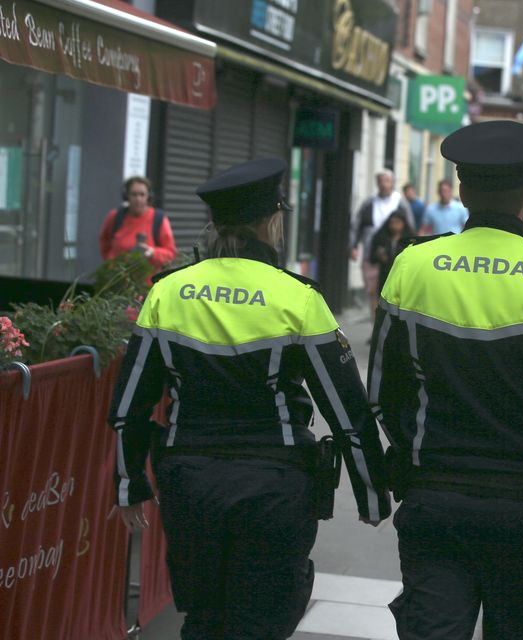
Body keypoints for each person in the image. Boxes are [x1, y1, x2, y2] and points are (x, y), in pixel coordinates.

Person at [108, 158, 391, 640]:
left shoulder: (168, 292)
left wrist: (129, 479)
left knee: (201, 619)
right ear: (271, 221)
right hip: (274, 484)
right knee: (262, 620)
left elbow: (131, 399)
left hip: (189, 482)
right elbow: (346, 408)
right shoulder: (298, 297)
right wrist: (370, 489)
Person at [369, 120, 523, 640]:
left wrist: (416, 454)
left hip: (434, 501)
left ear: (462, 190)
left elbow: (379, 394)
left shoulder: (411, 268)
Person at [351, 170, 414, 317]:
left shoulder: (400, 204)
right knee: (373, 290)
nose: (384, 185)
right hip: (371, 253)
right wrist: (353, 245)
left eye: (387, 181)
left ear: (392, 183)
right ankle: (375, 323)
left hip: (394, 256)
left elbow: (410, 227)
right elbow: (357, 224)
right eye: (381, 181)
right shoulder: (369, 203)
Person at [99, 176, 178, 272]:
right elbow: (104, 242)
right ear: (126, 196)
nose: (138, 199)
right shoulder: (115, 217)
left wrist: (152, 252)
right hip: (118, 280)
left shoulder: (158, 219)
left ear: (148, 196)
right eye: (134, 194)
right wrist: (110, 262)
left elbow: (171, 254)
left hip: (147, 283)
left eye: (142, 194)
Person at [369, 209, 414, 293]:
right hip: (385, 278)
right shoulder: (381, 238)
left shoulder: (410, 240)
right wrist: (379, 256)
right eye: (392, 223)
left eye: (397, 223)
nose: (394, 226)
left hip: (403, 279)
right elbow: (372, 257)